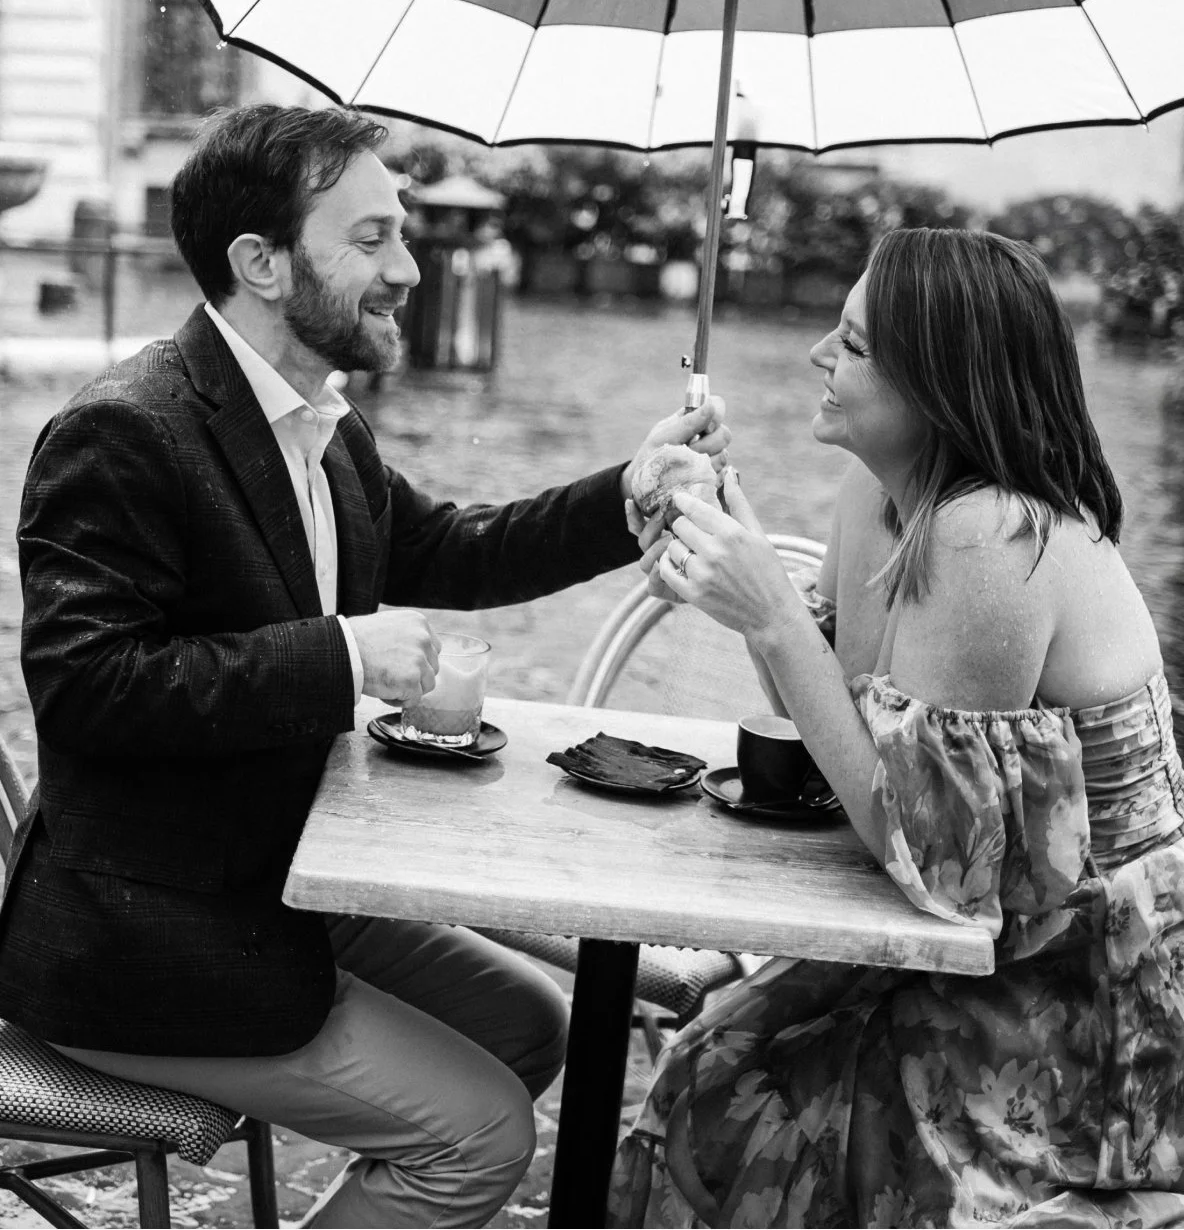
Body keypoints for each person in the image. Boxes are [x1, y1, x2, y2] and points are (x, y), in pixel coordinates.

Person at [0, 103, 731, 1229]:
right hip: (147, 934)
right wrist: (342, 654)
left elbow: (451, 548)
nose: (410, 266)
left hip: (285, 880)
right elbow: (90, 685)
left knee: (533, 1025)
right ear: (261, 261)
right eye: (372, 236)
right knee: (480, 1132)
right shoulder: (125, 432)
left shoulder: (323, 426)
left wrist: (624, 489)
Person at [610, 227, 1184, 1229]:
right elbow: (836, 731)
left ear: (941, 384)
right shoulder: (876, 493)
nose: (814, 358)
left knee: (761, 1108)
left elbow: (937, 868)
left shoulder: (990, 534)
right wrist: (721, 533)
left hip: (1081, 1008)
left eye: (854, 344)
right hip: (970, 946)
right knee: (712, 1063)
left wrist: (772, 613)